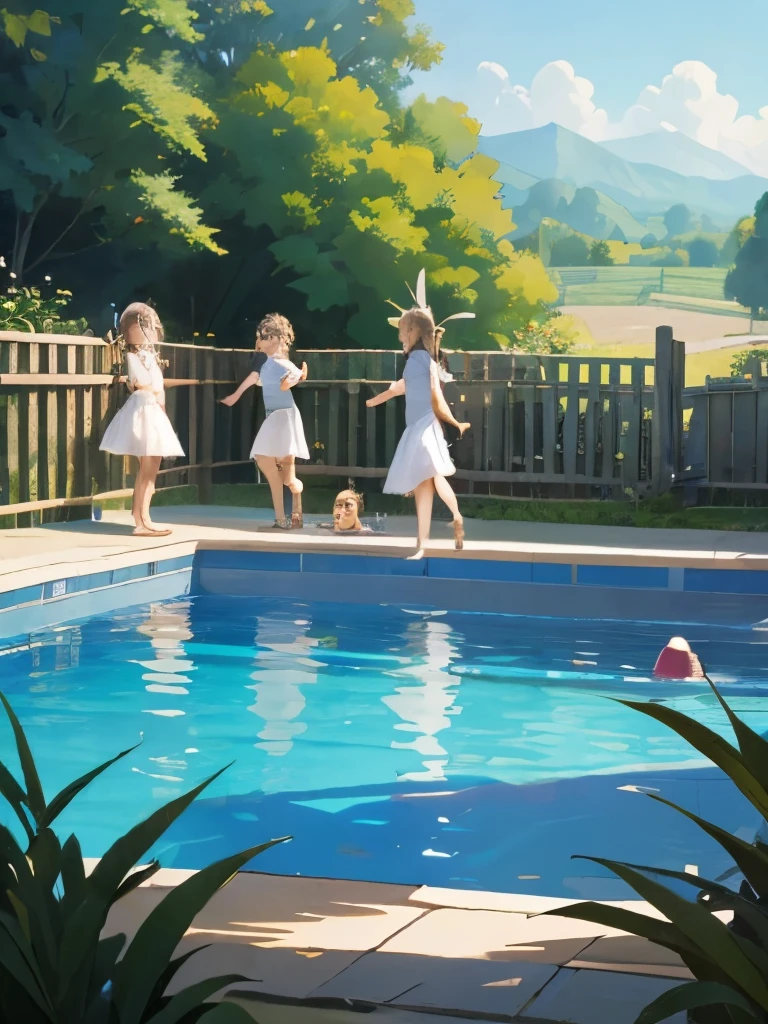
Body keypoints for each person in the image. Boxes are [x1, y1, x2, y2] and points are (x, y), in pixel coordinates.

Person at [367, 307, 470, 559]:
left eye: (402, 332)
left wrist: (453, 422)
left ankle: (424, 542)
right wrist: (374, 401)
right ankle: (450, 520)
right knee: (431, 479)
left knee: (428, 479)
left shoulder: (419, 360)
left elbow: (431, 394)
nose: (400, 337)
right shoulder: (422, 361)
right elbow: (404, 388)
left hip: (423, 426)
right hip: (422, 427)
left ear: (413, 331)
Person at [100, 302, 184, 538]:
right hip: (143, 408)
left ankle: (141, 515)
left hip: (153, 409)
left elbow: (158, 387)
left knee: (151, 468)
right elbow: (140, 381)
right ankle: (142, 519)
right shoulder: (135, 356)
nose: (149, 331)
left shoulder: (150, 356)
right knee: (148, 467)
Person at [221, 313, 308, 529]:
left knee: (287, 477)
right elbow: (257, 380)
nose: (261, 341)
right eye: (260, 337)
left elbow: (296, 376)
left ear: (278, 338)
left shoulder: (282, 364)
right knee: (267, 464)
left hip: (284, 418)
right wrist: (234, 396)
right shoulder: (267, 365)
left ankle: (295, 499)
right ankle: (282, 517)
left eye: (266, 336)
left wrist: (295, 378)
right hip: (274, 418)